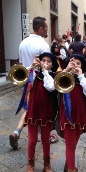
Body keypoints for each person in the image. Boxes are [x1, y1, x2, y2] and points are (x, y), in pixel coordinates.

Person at [9, 16, 58, 150]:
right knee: (37, 108)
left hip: (26, 79)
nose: (47, 30)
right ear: (41, 28)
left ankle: (18, 132)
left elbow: (21, 62)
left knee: (29, 106)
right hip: (38, 81)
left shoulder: (23, 42)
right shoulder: (43, 44)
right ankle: (21, 132)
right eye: (46, 28)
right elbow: (46, 64)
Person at [25, 52, 59, 172]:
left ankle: (47, 164)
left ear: (52, 64)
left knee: (45, 140)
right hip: (34, 110)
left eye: (48, 61)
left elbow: (50, 87)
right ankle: (30, 164)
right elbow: (24, 82)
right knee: (32, 140)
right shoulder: (34, 74)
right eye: (43, 60)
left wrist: (45, 72)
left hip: (46, 111)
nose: (45, 63)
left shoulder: (52, 76)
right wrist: (32, 67)